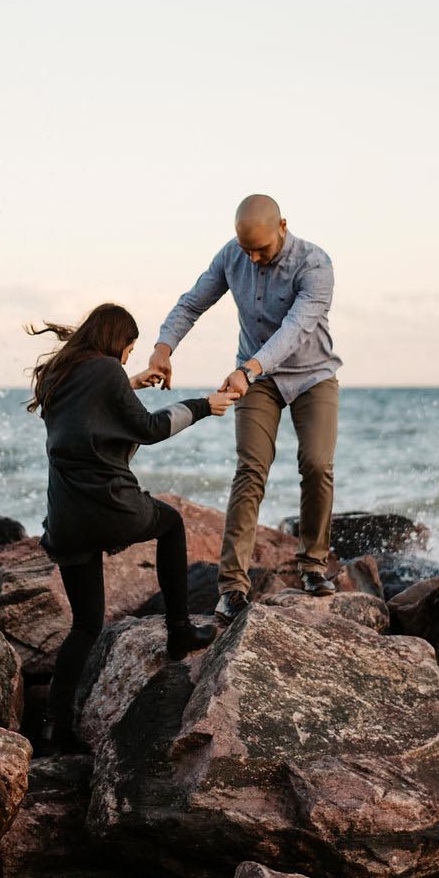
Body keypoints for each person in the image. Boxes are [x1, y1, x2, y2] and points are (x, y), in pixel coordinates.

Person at [28, 302, 235, 754]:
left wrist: (132, 381)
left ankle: (52, 729)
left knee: (85, 625)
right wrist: (204, 406)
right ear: (116, 342)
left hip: (66, 519)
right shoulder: (105, 371)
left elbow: (94, 414)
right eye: (129, 350)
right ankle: (180, 631)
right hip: (108, 507)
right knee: (172, 525)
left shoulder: (60, 376)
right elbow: (148, 427)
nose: (127, 359)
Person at [140, 194, 340, 625]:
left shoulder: (316, 265)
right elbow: (193, 302)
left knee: (317, 464)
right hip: (257, 381)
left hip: (311, 377)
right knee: (251, 469)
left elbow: (295, 330)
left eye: (261, 249)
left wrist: (247, 370)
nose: (252, 257)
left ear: (283, 227)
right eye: (246, 248)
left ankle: (313, 566)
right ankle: (232, 588)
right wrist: (162, 349)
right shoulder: (233, 255)